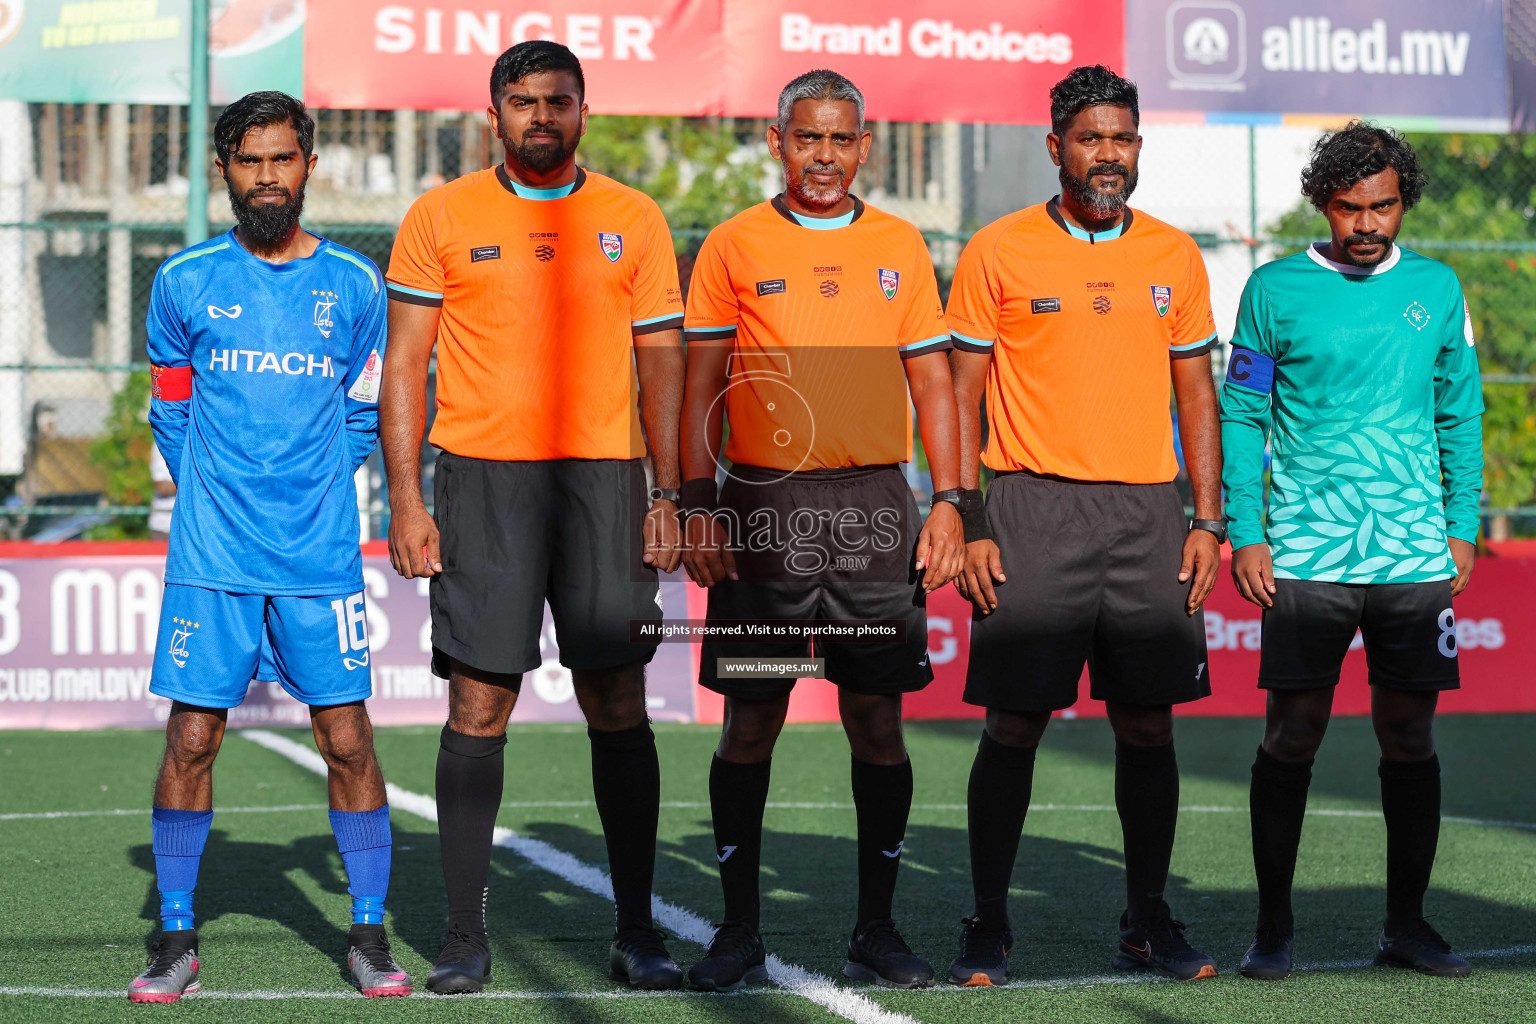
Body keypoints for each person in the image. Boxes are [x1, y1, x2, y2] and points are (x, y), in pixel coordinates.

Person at [380, 40, 687, 992]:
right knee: (479, 701)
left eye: (558, 101)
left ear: (583, 112)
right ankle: (464, 939)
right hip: (483, 484)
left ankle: (638, 932)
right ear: (494, 115)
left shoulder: (632, 219)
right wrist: (405, 498)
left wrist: (669, 494)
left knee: (617, 699)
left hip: (606, 482)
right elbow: (403, 368)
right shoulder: (440, 216)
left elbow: (663, 365)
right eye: (522, 102)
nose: (540, 117)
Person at [679, 69, 964, 992]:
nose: (826, 157)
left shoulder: (900, 245)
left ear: (865, 146)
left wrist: (954, 499)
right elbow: (700, 386)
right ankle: (737, 932)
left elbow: (934, 382)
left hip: (876, 511)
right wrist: (695, 501)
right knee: (753, 717)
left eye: (843, 140)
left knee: (876, 720)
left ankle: (876, 930)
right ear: (778, 140)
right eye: (809, 139)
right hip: (764, 511)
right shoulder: (733, 244)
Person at [945, 65, 1225, 986]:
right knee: (1015, 723)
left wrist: (1207, 520)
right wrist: (970, 516)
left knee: (1148, 727)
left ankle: (1146, 919)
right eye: (1092, 138)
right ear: (1057, 143)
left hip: (1148, 513)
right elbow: (962, 393)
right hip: (1030, 508)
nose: (1109, 155)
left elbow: (1197, 391)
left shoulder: (1175, 257)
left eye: (1124, 140)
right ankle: (988, 920)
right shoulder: (999, 250)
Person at [132, 92, 409, 1002]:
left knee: (348, 737)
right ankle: (175, 938)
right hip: (211, 559)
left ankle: (368, 934)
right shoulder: (182, 282)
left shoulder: (357, 287)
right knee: (192, 737)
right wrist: (216, 491)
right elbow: (170, 411)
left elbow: (365, 411)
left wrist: (312, 487)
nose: (266, 178)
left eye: (282, 160)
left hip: (318, 558)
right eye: (249, 162)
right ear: (224, 170)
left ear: (308, 164)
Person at [1222, 122, 1484, 981]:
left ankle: (1406, 926)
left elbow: (1460, 410)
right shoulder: (1273, 288)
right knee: (1292, 734)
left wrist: (1462, 521)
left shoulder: (1440, 289)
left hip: (1412, 554)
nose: (1366, 224)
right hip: (1305, 552)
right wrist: (1248, 530)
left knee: (1408, 736)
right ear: (1322, 204)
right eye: (1349, 208)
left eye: (1383, 205)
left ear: (1402, 200)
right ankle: (1272, 928)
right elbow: (1244, 414)